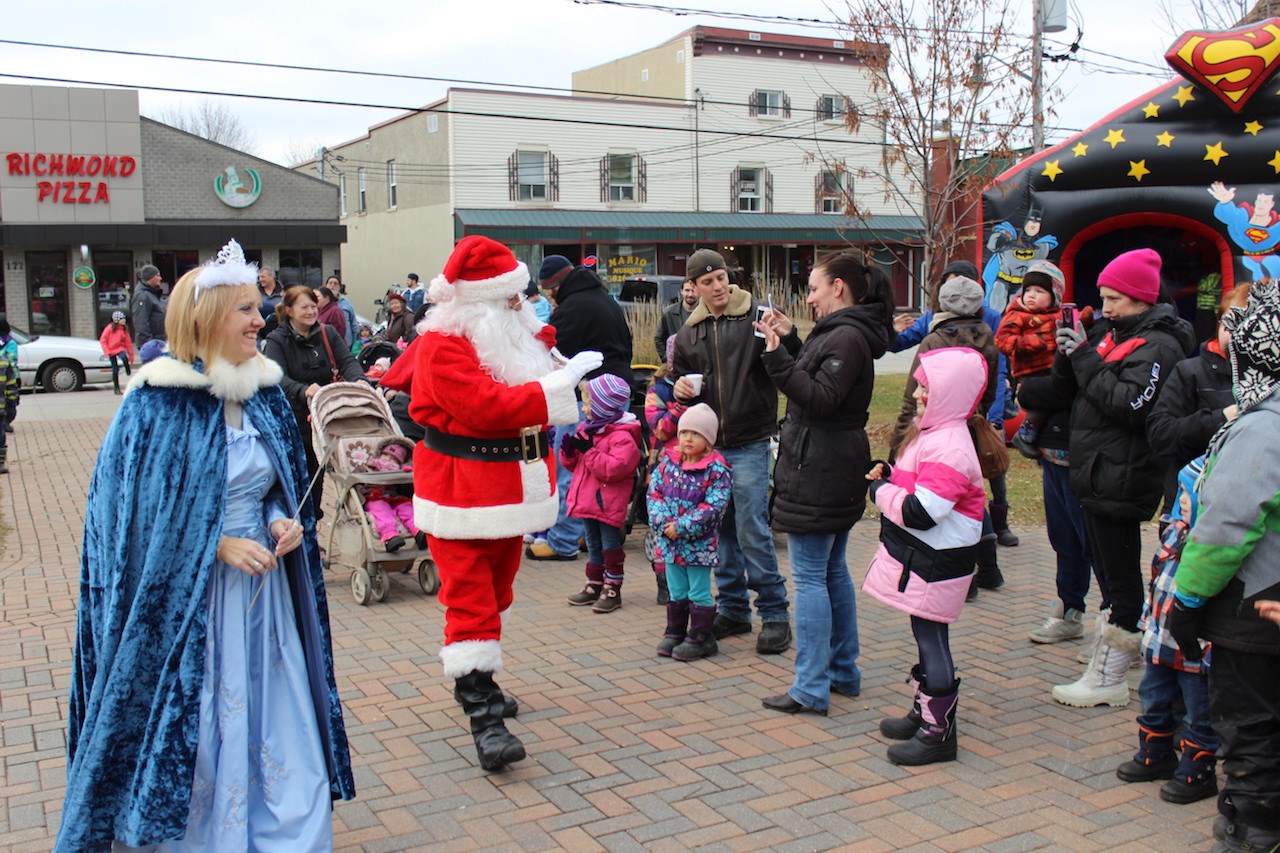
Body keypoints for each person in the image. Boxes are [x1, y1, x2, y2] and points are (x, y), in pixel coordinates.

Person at [57, 239, 354, 851]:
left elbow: (276, 483)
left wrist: (279, 520)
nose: (259, 319)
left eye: (257, 307)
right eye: (244, 309)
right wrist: (214, 545)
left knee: (276, 713)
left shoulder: (265, 392)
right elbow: (128, 522)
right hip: (191, 611)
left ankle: (279, 831)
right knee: (199, 719)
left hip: (264, 595)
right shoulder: (153, 404)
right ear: (205, 318)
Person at [377, 235, 600, 771]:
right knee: (472, 598)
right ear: (479, 302)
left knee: (497, 591)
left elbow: (525, 361)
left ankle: (484, 682)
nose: (521, 306)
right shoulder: (442, 346)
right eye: (510, 299)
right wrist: (558, 384)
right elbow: (485, 405)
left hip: (511, 486)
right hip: (461, 488)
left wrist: (554, 361)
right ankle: (482, 717)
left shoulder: (509, 335)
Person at [1050, 248, 1194, 708]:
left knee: (1120, 580)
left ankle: (1111, 672)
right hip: (1098, 471)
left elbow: (1132, 406)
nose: (1106, 308)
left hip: (1123, 475)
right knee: (1111, 574)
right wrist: (1069, 351)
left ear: (1142, 299)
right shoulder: (1113, 335)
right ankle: (1121, 657)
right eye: (1104, 298)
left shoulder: (1160, 346)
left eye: (1116, 299)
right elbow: (1076, 387)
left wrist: (1086, 357)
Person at [1167, 280, 1280, 852]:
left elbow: (1227, 527)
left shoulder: (1263, 426)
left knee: (1252, 727)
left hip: (1253, 603)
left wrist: (1185, 601)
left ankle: (1252, 832)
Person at [756, 251, 893, 715]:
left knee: (812, 577)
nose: (808, 298)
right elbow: (817, 378)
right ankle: (840, 673)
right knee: (831, 571)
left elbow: (819, 399)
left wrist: (775, 358)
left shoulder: (848, 337)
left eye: (813, 288)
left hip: (821, 466)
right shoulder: (843, 333)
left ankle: (811, 687)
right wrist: (792, 343)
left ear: (839, 288)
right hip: (829, 462)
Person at [863, 346, 989, 766]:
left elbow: (921, 512)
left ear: (951, 396)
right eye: (918, 386)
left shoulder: (950, 445)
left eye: (926, 389)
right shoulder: (934, 434)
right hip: (926, 558)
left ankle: (939, 733)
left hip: (937, 559)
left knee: (933, 638)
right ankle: (925, 713)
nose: (917, 395)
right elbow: (917, 487)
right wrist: (890, 472)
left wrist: (880, 492)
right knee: (924, 633)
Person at [672, 248, 794, 654]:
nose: (717, 286)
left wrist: (788, 334)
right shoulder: (690, 331)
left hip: (750, 439)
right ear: (694, 287)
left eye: (721, 277)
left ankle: (775, 614)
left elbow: (792, 360)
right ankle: (735, 609)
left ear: (729, 276)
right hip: (711, 446)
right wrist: (680, 389)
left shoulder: (759, 314)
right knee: (720, 530)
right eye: (707, 281)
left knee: (752, 529)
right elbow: (683, 382)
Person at [889, 275, 1005, 596]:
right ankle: (990, 568)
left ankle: (962, 580)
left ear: (942, 304)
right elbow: (989, 390)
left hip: (937, 432)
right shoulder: (987, 338)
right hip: (970, 428)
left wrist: (899, 443)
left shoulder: (935, 340)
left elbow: (915, 394)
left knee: (945, 506)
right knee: (972, 498)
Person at [1115, 456, 1218, 805]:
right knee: (1154, 697)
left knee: (1198, 708)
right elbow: (1156, 580)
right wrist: (1147, 623)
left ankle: (1198, 768)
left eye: (1191, 493)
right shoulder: (1175, 530)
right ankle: (1156, 752)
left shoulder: (1213, 547)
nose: (1183, 499)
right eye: (1181, 493)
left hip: (1194, 647)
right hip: (1160, 640)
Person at [526, 255, 633, 561]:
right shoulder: (602, 298)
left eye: (549, 291)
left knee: (572, 465)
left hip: (585, 397)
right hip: (615, 392)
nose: (548, 296)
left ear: (556, 285)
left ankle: (562, 541)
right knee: (600, 469)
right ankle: (589, 533)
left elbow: (552, 354)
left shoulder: (572, 308)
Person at [1146, 283, 1249, 528]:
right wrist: (1221, 418)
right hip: (1189, 506)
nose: (1234, 334)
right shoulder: (1190, 372)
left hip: (1248, 508)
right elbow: (1160, 433)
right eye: (1227, 324)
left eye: (1244, 324)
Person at [262, 285, 366, 521]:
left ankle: (313, 520)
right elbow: (277, 376)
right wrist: (302, 390)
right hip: (296, 417)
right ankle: (301, 520)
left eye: (313, 306)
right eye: (304, 307)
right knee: (303, 473)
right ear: (289, 310)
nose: (310, 311)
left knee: (320, 473)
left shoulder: (327, 333)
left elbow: (347, 361)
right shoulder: (277, 340)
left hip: (325, 413)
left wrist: (359, 381)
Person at [647, 403, 732, 661]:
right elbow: (655, 495)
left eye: (696, 434)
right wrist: (663, 524)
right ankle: (675, 630)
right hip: (669, 542)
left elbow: (713, 507)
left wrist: (682, 527)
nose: (687, 439)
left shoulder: (716, 470)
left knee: (697, 590)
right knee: (676, 589)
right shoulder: (667, 464)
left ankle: (701, 636)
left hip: (698, 544)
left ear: (708, 441)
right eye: (684, 433)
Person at [561, 373, 643, 613]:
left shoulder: (623, 438)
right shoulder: (590, 429)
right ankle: (594, 584)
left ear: (603, 407)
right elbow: (574, 465)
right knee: (593, 544)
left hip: (606, 502)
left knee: (610, 545)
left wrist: (588, 451)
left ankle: (613, 587)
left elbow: (612, 469)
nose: (584, 409)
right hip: (587, 499)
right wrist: (569, 451)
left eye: (588, 403)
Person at [995, 260, 1070, 457]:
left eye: (1039, 291)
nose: (1031, 296)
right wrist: (1030, 342)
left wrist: (1086, 319)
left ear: (1054, 296)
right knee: (1041, 404)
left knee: (1058, 398)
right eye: (1028, 290)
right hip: (1030, 371)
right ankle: (1026, 433)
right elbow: (1002, 340)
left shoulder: (1057, 315)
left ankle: (1038, 434)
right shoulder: (1018, 315)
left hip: (1053, 367)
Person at [643, 334, 688, 604]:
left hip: (695, 468)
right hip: (664, 468)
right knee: (663, 527)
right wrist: (682, 407)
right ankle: (664, 582)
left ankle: (686, 584)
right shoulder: (658, 390)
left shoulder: (703, 383)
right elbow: (659, 429)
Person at [354, 436, 422, 553]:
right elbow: (355, 481)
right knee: (382, 511)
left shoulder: (399, 471)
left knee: (407, 508)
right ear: (380, 454)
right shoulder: (367, 467)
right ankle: (390, 536)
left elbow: (407, 492)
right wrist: (364, 491)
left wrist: (404, 475)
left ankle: (418, 532)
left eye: (394, 459)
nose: (388, 460)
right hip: (374, 497)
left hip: (395, 498)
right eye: (386, 455)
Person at [654, 278, 699, 357]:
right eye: (687, 290)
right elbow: (658, 338)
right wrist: (667, 359)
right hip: (677, 364)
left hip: (699, 363)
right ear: (681, 291)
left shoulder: (706, 314)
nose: (690, 294)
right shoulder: (669, 313)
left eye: (693, 291)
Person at [99, 310, 134, 395]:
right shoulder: (109, 328)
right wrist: (107, 351)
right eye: (122, 319)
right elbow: (103, 340)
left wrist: (131, 355)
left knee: (124, 358)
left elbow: (128, 343)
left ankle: (127, 368)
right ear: (117, 320)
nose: (124, 320)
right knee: (115, 370)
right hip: (111, 351)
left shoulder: (124, 329)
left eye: (124, 318)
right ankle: (116, 388)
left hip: (120, 348)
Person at [131, 262, 166, 347]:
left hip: (160, 343)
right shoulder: (142, 296)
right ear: (149, 277)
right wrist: (150, 346)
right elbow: (141, 323)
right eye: (157, 275)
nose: (160, 278)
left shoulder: (155, 295)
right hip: (153, 346)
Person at [0, 320, 16, 474]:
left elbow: (11, 385)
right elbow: (11, 386)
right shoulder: (4, 363)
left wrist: (11, 402)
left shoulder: (4, 364)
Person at [326, 275, 358, 348]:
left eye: (335, 283)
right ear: (326, 286)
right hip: (328, 344)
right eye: (330, 283)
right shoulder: (321, 303)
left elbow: (354, 324)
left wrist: (355, 343)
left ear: (339, 287)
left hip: (346, 345)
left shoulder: (346, 303)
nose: (332, 285)